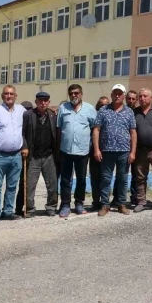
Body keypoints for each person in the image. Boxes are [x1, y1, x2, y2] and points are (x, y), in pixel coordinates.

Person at [93, 84, 136, 216]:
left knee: (123, 179)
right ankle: (105, 205)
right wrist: (96, 149)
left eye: (120, 94)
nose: (117, 96)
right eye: (115, 93)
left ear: (123, 95)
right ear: (111, 95)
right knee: (106, 179)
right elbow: (96, 130)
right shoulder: (103, 110)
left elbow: (133, 132)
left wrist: (133, 152)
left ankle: (121, 204)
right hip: (107, 151)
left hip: (124, 151)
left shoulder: (129, 112)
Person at [57, 84, 97, 217]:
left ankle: (79, 203)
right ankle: (65, 205)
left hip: (83, 151)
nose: (74, 95)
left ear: (81, 94)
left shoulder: (90, 109)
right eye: (71, 93)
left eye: (76, 93)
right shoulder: (63, 108)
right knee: (65, 179)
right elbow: (59, 128)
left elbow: (94, 128)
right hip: (66, 150)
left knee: (81, 179)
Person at [0, 85, 27, 223]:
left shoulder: (22, 111)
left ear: (15, 96)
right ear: (2, 96)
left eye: (11, 94)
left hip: (16, 155)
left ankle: (8, 211)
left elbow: (27, 128)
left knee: (12, 186)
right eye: (6, 93)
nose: (9, 96)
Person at [21, 92, 59, 217]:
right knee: (30, 185)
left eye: (45, 100)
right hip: (33, 156)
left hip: (49, 155)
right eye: (40, 100)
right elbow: (22, 133)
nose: (43, 103)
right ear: (36, 102)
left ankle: (51, 207)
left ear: (49, 102)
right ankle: (30, 209)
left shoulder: (53, 115)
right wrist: (25, 147)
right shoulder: (28, 115)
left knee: (52, 184)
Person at [89, 96, 109, 211]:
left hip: (107, 151)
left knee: (106, 177)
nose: (103, 107)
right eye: (101, 105)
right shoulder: (93, 117)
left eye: (106, 105)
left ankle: (105, 202)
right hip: (94, 151)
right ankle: (96, 201)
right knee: (95, 177)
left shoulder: (111, 116)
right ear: (97, 106)